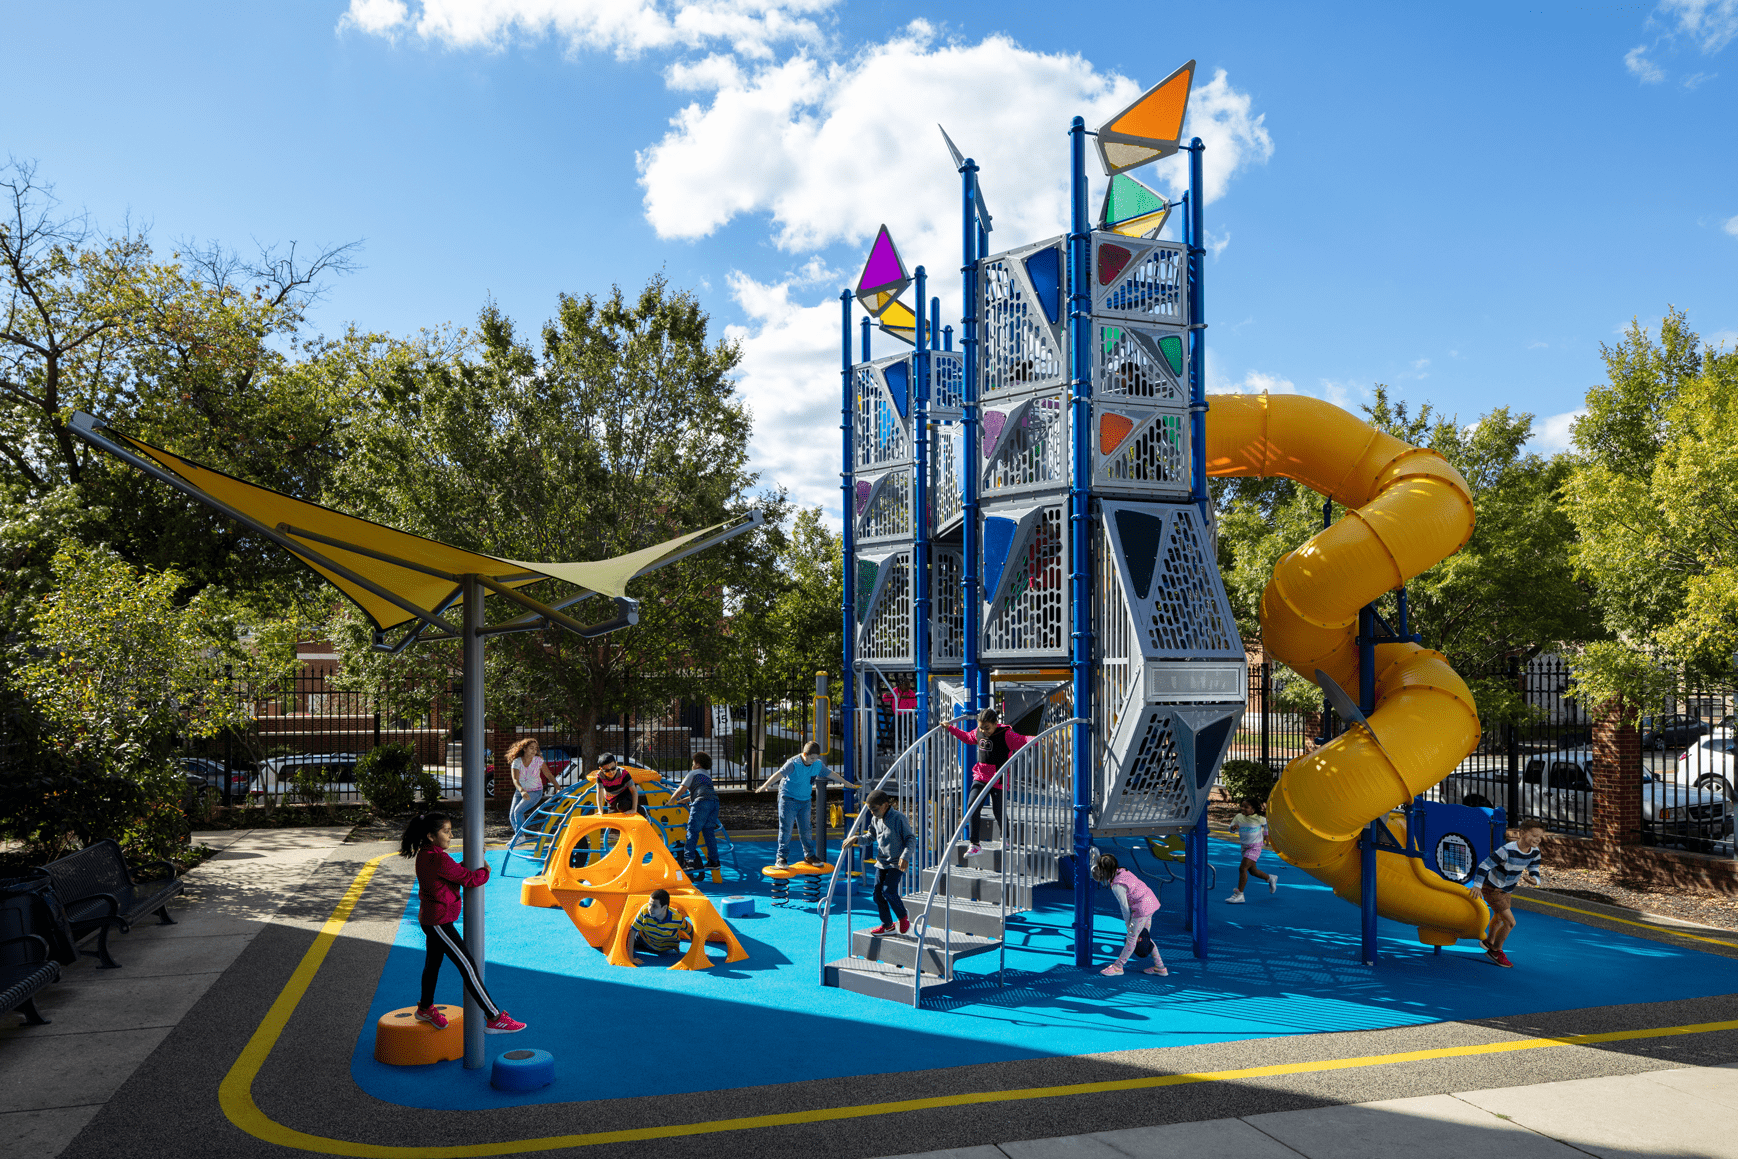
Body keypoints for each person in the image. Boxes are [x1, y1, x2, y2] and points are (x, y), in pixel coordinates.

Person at [399, 811, 525, 1033]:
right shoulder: (438, 858)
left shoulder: (428, 854)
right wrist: (485, 870)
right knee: (467, 966)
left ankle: (425, 1008)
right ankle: (494, 1016)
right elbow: (469, 879)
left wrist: (472, 860)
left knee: (433, 965)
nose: (451, 835)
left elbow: (451, 873)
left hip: (431, 919)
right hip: (439, 922)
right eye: (446, 831)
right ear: (431, 836)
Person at [943, 709, 1032, 856]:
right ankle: (975, 844)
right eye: (981, 727)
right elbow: (967, 737)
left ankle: (1006, 837)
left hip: (998, 778)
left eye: (987, 728)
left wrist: (1039, 739)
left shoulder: (1006, 734)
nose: (984, 731)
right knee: (972, 805)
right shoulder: (979, 731)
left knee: (998, 810)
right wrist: (951, 728)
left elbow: (1023, 740)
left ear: (996, 724)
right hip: (981, 775)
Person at [757, 741, 851, 868]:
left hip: (805, 800)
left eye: (816, 758)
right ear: (805, 754)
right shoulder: (793, 763)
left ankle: (809, 856)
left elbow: (830, 773)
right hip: (788, 799)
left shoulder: (817, 764)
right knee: (786, 829)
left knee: (806, 829)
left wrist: (845, 782)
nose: (814, 761)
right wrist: (765, 785)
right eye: (812, 758)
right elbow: (779, 774)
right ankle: (781, 857)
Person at [1469, 817, 1545, 968]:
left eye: (1540, 837)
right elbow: (1485, 865)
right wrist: (1477, 885)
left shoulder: (1535, 852)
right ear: (1522, 833)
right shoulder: (1507, 850)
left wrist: (1535, 880)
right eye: (1534, 835)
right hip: (1492, 888)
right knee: (1510, 922)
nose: (1538, 839)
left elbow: (1534, 869)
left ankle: (1489, 941)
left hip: (1507, 889)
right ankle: (1495, 951)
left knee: (1499, 917)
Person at [842, 789, 914, 936]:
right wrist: (856, 838)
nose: (872, 813)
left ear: (885, 805)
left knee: (888, 891)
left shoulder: (898, 818)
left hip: (896, 863)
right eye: (870, 810)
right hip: (882, 862)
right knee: (877, 895)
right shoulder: (875, 819)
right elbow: (870, 837)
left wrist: (905, 856)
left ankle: (902, 916)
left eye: (874, 809)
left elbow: (910, 838)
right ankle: (888, 926)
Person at [1092, 853, 1166, 977]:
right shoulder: (1123, 871)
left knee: (1132, 938)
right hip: (1150, 901)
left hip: (1142, 908)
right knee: (1144, 936)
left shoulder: (1117, 886)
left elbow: (1124, 907)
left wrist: (1128, 924)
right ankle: (1160, 967)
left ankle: (1118, 966)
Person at [669, 752, 722, 870]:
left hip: (701, 803)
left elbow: (681, 789)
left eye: (693, 763)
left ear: (698, 764)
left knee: (692, 831)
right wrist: (685, 800)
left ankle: (689, 861)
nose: (692, 765)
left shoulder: (693, 773)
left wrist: (671, 800)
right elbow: (703, 792)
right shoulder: (707, 776)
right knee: (708, 832)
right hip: (714, 802)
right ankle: (714, 861)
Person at [503, 738, 553, 852]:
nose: (534, 750)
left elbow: (548, 774)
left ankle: (520, 836)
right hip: (520, 791)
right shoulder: (517, 762)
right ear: (524, 749)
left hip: (535, 791)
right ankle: (519, 835)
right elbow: (515, 780)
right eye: (531, 748)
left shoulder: (538, 760)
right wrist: (521, 791)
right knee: (512, 815)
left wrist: (558, 787)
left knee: (518, 811)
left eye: (536, 748)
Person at [1226, 798, 1278, 903]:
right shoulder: (1238, 817)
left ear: (1253, 810)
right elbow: (1230, 828)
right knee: (1253, 871)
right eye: (1242, 806)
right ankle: (1270, 878)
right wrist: (1233, 828)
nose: (1242, 808)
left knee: (1242, 868)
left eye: (1246, 807)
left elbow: (1266, 823)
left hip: (1255, 847)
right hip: (1244, 847)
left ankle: (1239, 895)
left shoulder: (1259, 818)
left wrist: (1266, 835)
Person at [627, 889, 693, 965]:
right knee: (625, 940)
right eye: (649, 904)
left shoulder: (676, 918)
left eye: (654, 906)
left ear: (664, 907)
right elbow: (633, 931)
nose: (650, 909)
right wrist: (630, 957)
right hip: (644, 940)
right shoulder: (645, 910)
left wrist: (694, 953)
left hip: (666, 947)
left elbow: (691, 931)